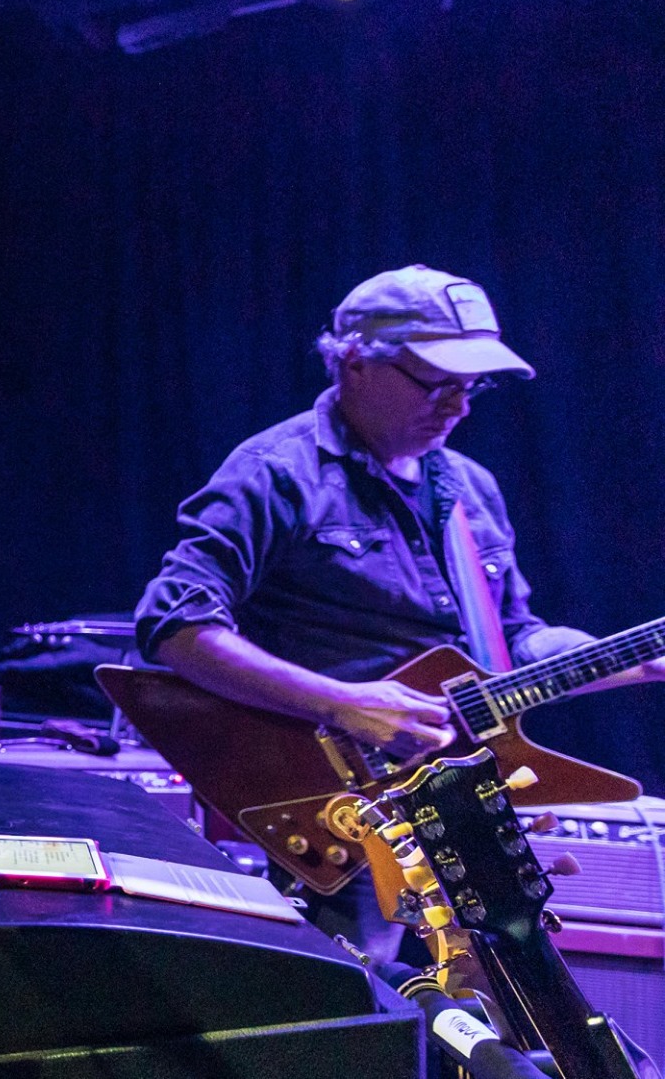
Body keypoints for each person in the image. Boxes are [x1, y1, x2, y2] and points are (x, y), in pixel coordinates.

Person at [135, 264, 663, 953]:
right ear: (355, 362)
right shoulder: (276, 471)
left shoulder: (472, 487)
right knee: (358, 1013)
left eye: (471, 386)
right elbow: (174, 624)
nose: (459, 406)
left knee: (492, 1017)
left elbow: (511, 643)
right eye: (438, 382)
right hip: (332, 808)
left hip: (463, 799)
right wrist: (342, 703)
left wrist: (632, 659)